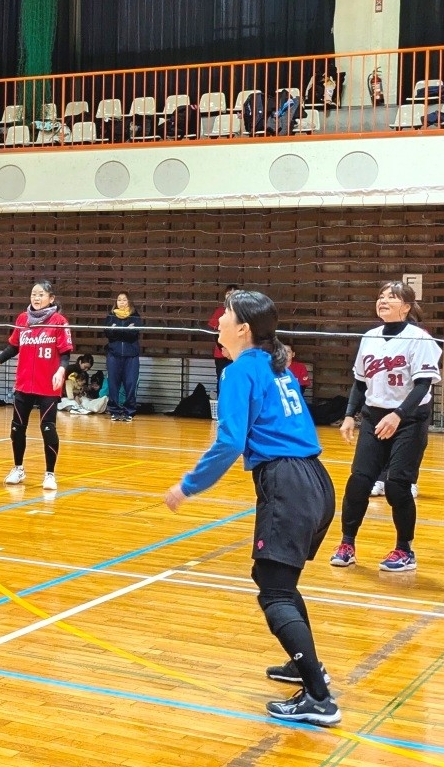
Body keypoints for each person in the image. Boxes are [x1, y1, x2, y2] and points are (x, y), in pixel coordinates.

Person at [164, 290, 339, 726]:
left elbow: (229, 442)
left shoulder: (241, 370)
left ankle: (319, 699)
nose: (218, 319)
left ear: (242, 328)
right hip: (315, 479)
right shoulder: (274, 365)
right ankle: (306, 666)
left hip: (288, 484)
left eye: (225, 314)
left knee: (274, 588)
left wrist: (188, 486)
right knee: (277, 578)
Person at [330, 281, 440, 572]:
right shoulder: (370, 336)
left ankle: (404, 550)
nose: (383, 301)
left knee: (396, 486)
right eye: (380, 296)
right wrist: (351, 415)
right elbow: (360, 382)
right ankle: (347, 544)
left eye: (391, 298)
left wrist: (399, 415)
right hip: (375, 416)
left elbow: (423, 384)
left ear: (406, 306)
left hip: (410, 419)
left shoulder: (420, 338)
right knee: (359, 482)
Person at [0, 280, 72, 491]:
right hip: (24, 384)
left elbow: (65, 353)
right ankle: (18, 468)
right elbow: (13, 347)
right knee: (17, 428)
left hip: (47, 385)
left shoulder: (59, 321)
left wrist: (61, 370)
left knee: (48, 428)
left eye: (41, 294)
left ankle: (50, 474)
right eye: (33, 294)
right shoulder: (22, 319)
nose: (36, 298)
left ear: (51, 298)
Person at [104, 291, 143, 421]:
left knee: (130, 383)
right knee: (113, 384)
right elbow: (108, 334)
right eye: (119, 300)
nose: (121, 302)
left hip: (131, 356)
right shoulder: (110, 316)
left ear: (129, 302)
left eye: (124, 300)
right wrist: (125, 330)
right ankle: (114, 410)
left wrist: (117, 330)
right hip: (113, 355)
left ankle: (129, 412)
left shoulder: (135, 316)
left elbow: (134, 334)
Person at [209, 285, 239, 393]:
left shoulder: (243, 311)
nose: (231, 296)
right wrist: (224, 349)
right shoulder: (219, 311)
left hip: (238, 353)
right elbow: (215, 332)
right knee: (222, 379)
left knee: (238, 380)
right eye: (228, 294)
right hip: (222, 353)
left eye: (234, 293)